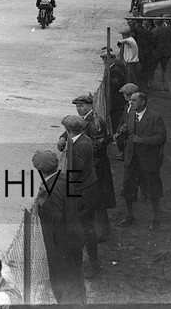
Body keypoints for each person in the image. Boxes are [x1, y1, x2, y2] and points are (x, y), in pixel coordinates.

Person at [58, 95, 115, 243]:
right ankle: (100, 232)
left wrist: (78, 143)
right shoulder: (85, 119)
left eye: (82, 106)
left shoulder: (95, 122)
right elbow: (74, 128)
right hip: (92, 166)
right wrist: (64, 137)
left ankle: (103, 233)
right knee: (95, 201)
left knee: (99, 201)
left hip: (96, 165)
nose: (79, 109)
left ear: (90, 106)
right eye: (77, 106)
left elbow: (99, 145)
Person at [32, 150, 86, 305]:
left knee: (63, 282)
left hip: (61, 242)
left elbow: (55, 217)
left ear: (40, 170)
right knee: (76, 279)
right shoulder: (63, 178)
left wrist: (42, 205)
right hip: (74, 235)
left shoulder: (52, 189)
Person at [114, 91, 166, 229]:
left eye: (134, 100)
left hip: (148, 160)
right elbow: (126, 136)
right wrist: (123, 132)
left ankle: (156, 219)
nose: (130, 103)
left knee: (152, 190)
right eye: (130, 100)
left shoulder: (155, 117)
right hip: (132, 159)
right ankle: (129, 216)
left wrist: (142, 140)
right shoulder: (130, 115)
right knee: (127, 189)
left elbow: (161, 137)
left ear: (142, 102)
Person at [61, 114, 102, 279]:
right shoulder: (82, 139)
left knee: (85, 227)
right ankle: (90, 261)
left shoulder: (78, 145)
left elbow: (77, 169)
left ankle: (95, 265)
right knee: (84, 225)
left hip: (82, 190)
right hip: (88, 185)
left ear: (67, 129)